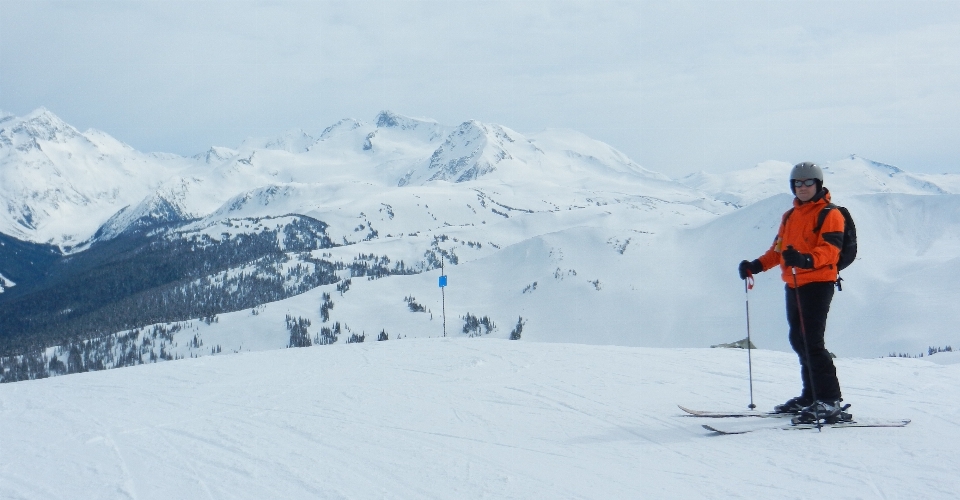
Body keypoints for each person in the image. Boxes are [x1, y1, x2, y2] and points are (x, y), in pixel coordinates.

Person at [738, 162, 850, 424]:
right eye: (797, 183)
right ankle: (811, 395)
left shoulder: (830, 214)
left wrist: (805, 260)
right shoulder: (790, 216)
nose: (802, 187)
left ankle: (830, 401)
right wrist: (756, 265)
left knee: (812, 341)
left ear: (818, 185)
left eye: (808, 182)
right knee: (799, 341)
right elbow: (778, 251)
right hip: (794, 283)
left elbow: (831, 250)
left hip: (818, 283)